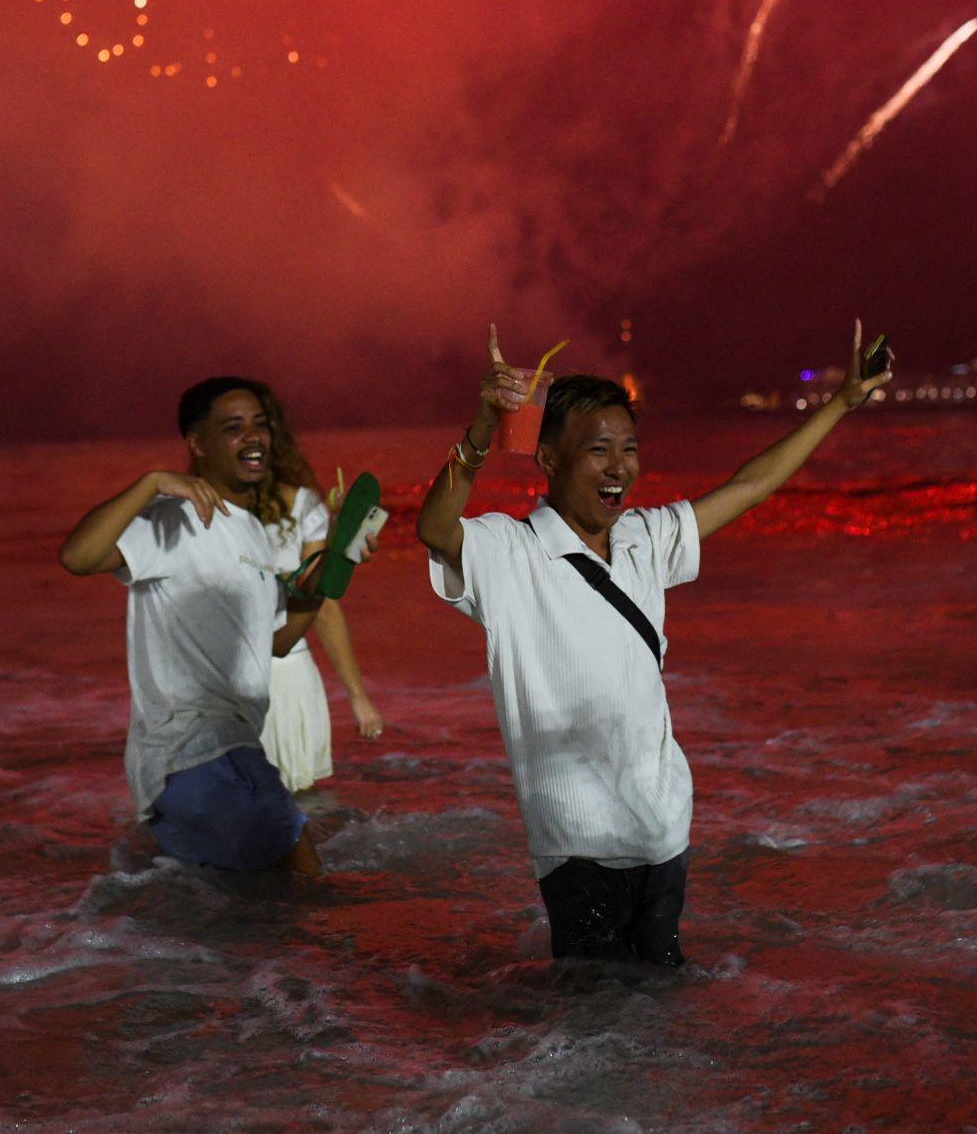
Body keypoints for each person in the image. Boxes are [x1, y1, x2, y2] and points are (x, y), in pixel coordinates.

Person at [417, 322, 891, 967]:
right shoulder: (509, 551)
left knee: (659, 999)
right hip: (579, 838)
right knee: (591, 1009)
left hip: (662, 825)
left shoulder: (646, 537)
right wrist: (483, 427)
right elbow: (436, 527)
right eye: (598, 450)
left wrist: (841, 403)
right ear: (549, 459)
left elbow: (751, 486)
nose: (619, 467)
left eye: (629, 449)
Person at [58, 377, 334, 872]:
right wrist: (151, 483)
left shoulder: (253, 531)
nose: (254, 436)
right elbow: (78, 556)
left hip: (232, 747)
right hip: (192, 749)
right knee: (301, 873)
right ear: (198, 444)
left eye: (260, 424)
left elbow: (277, 643)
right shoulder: (176, 517)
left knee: (243, 899)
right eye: (233, 427)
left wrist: (333, 573)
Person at [255, 397, 387, 793]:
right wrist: (358, 697)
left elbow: (323, 603)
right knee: (291, 807)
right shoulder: (206, 507)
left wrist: (337, 544)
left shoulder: (303, 507)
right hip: (248, 677)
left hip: (282, 675)